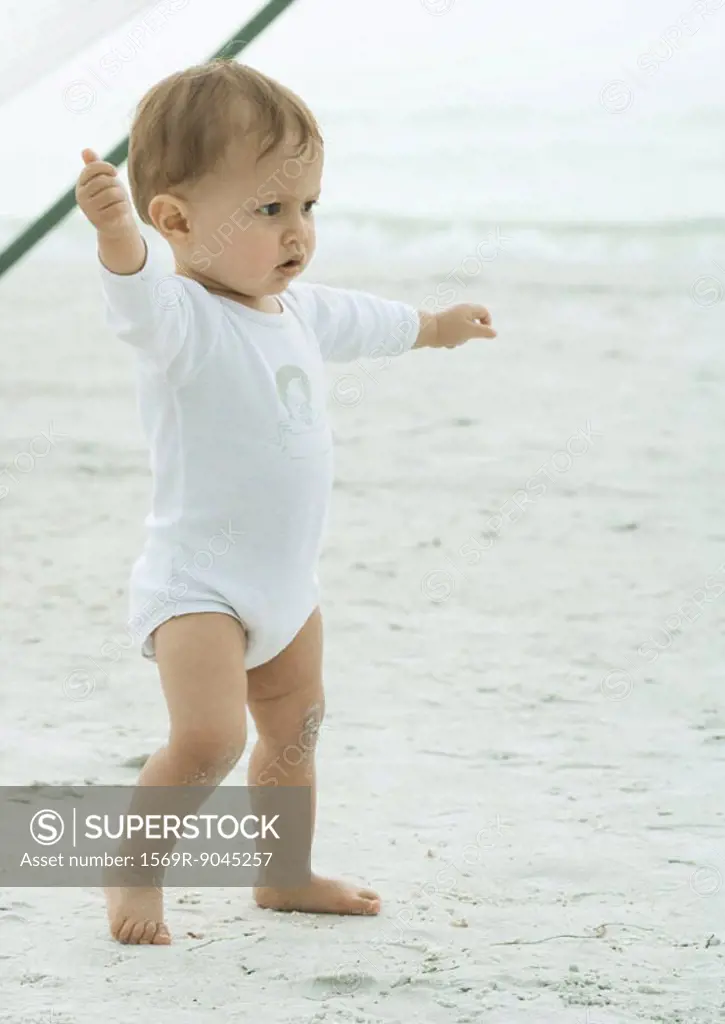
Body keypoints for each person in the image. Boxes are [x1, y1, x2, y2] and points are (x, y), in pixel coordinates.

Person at [75, 59, 497, 946]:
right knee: (208, 742)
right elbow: (136, 294)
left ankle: (284, 874)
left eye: (308, 206)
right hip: (199, 588)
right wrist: (118, 237)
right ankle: (132, 866)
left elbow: (373, 321)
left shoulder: (294, 308)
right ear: (177, 221)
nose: (298, 230)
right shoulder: (183, 321)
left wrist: (435, 325)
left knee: (295, 733)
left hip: (285, 585)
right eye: (269, 209)